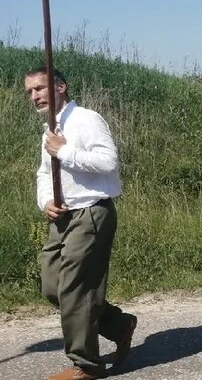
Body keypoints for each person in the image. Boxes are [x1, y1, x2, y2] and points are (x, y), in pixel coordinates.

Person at [24, 67, 138, 380]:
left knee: (75, 289)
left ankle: (86, 365)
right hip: (62, 217)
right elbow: (44, 174)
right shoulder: (50, 130)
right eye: (30, 91)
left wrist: (66, 151)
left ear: (61, 86)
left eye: (40, 88)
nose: (34, 96)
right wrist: (45, 201)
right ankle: (117, 324)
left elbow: (108, 161)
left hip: (91, 212)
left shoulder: (86, 119)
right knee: (52, 287)